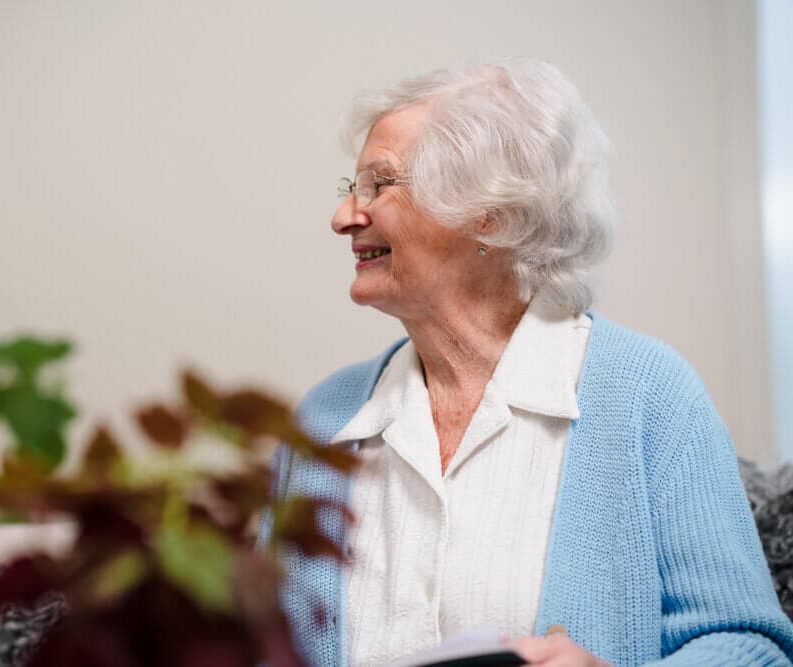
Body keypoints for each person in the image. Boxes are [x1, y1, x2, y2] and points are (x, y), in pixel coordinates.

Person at [260, 59, 793, 666]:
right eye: (351, 190)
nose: (344, 217)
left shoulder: (649, 396)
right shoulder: (323, 419)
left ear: (490, 213)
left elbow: (752, 647)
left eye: (379, 186)